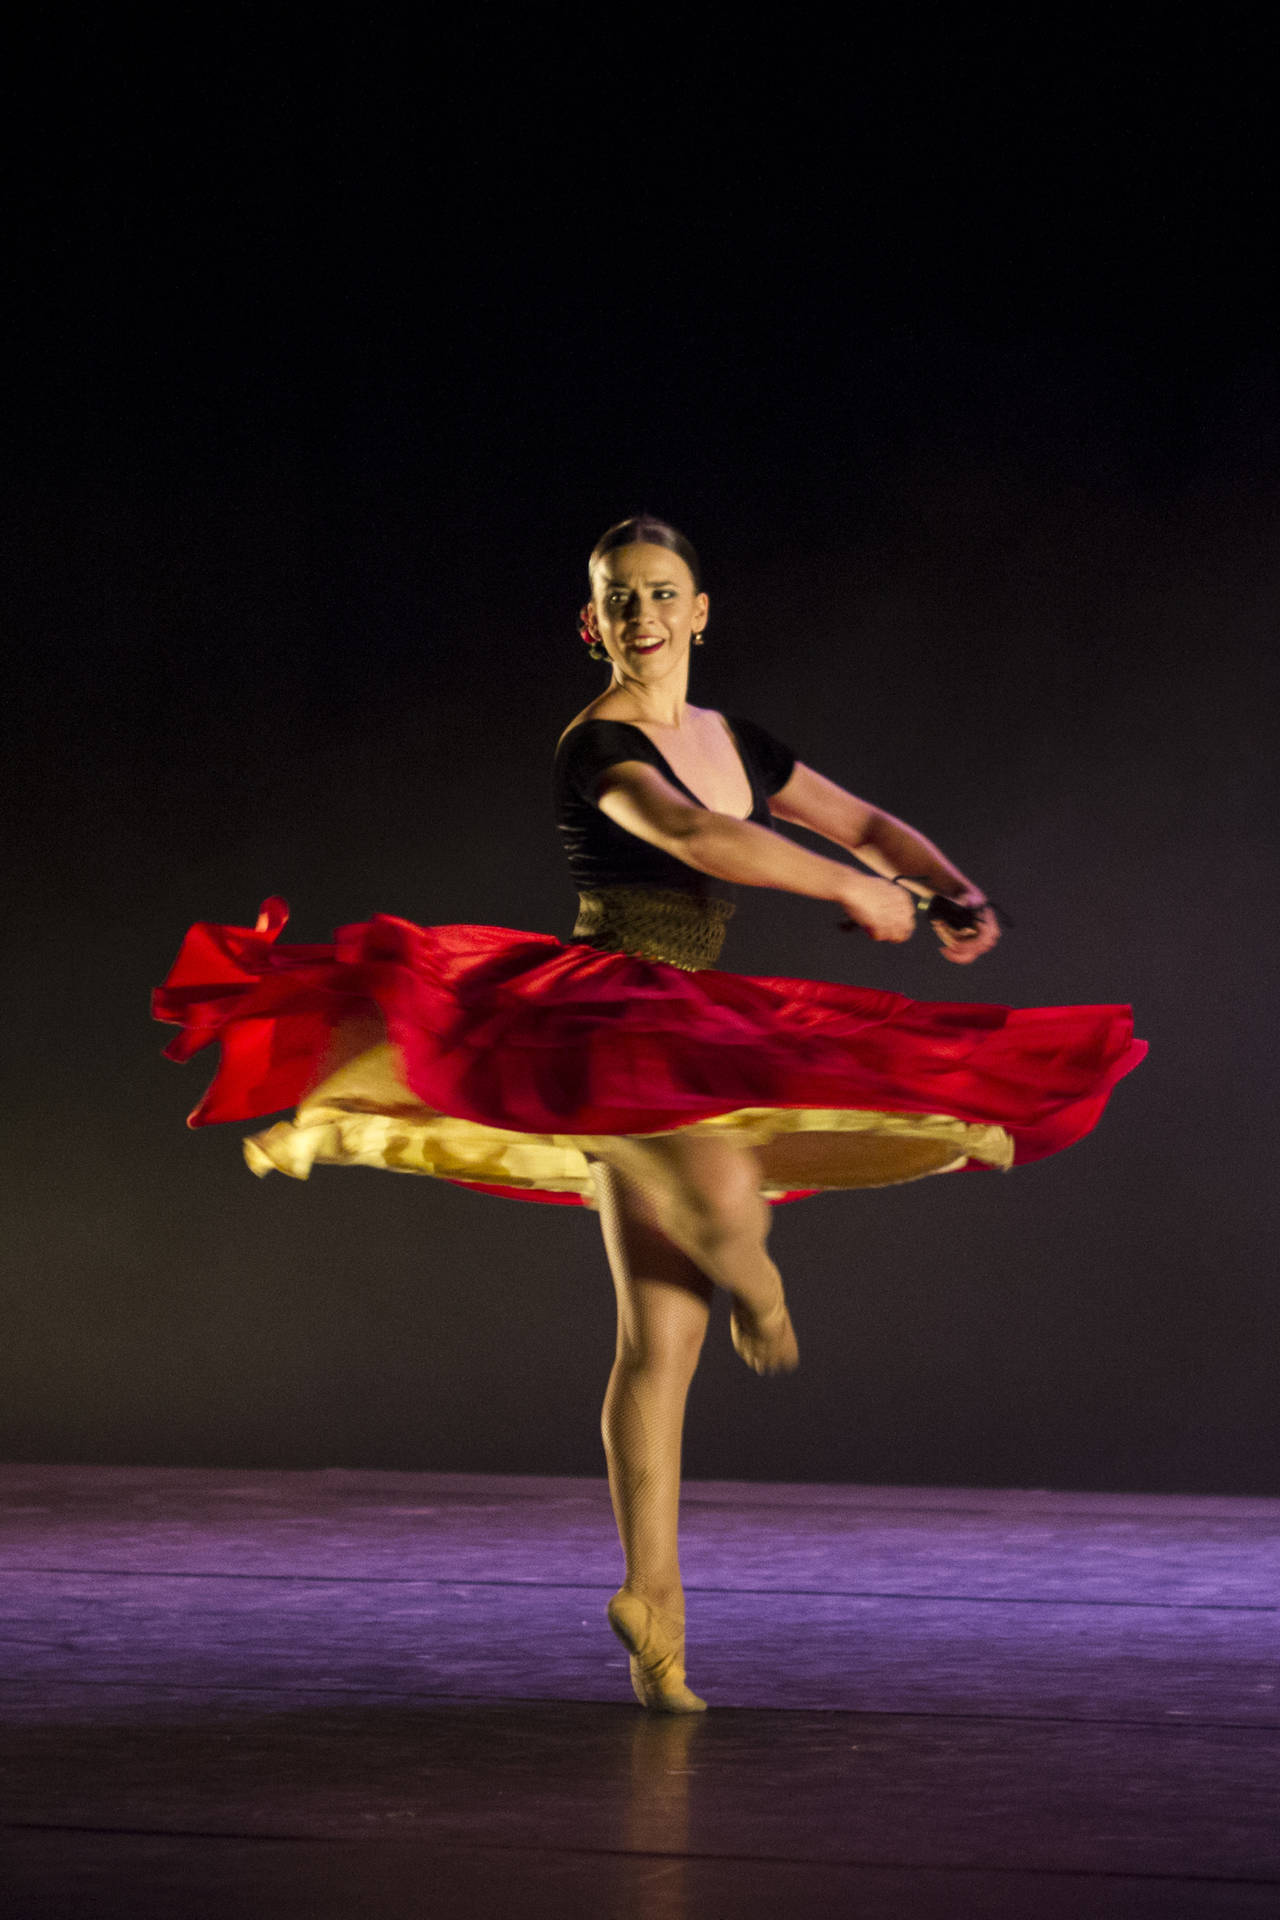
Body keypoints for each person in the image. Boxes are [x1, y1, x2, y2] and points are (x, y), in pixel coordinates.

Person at [153, 514, 1145, 1715]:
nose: (640, 613)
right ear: (592, 624)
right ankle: (757, 1281)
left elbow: (864, 824)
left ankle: (653, 1611)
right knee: (719, 1191)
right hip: (603, 1013)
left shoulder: (739, 742)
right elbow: (691, 834)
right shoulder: (597, 743)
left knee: (660, 1336)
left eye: (660, 593)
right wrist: (846, 889)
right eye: (618, 597)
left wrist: (945, 889)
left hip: (689, 1012)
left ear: (698, 612)